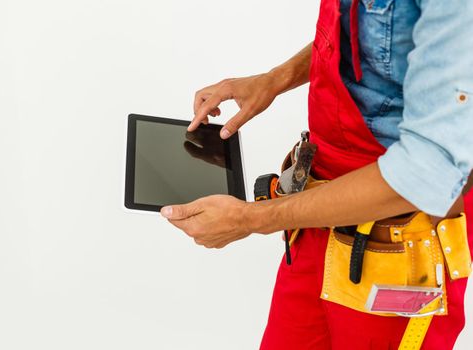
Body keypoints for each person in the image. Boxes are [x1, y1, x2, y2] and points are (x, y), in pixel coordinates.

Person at [161, 0, 473, 348]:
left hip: (399, 244)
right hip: (315, 215)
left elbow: (423, 175)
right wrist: (273, 80)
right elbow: (368, 39)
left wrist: (251, 219)